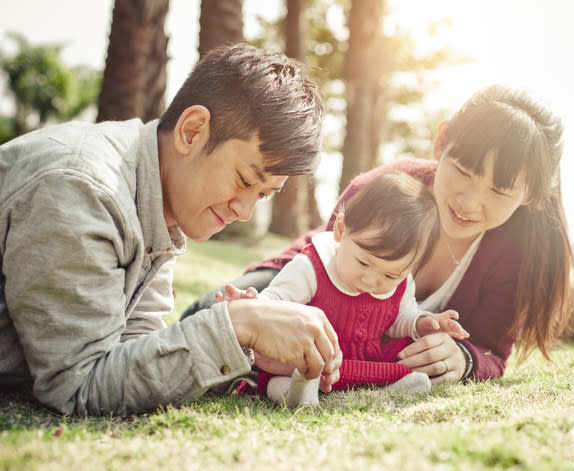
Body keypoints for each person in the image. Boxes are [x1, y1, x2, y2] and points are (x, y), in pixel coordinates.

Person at [0, 43, 343, 416]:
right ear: (192, 131)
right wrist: (237, 325)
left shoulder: (157, 198)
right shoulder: (81, 190)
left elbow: (131, 350)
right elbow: (79, 386)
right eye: (244, 180)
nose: (244, 211)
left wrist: (248, 347)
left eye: (261, 195)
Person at [182, 84, 574, 384]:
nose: (469, 201)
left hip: (368, 349)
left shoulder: (519, 254)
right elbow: (315, 254)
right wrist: (259, 299)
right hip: (310, 292)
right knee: (206, 313)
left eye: (499, 191)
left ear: (530, 196)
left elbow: (492, 351)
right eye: (463, 171)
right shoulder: (391, 187)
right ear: (441, 143)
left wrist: (465, 358)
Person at [216, 172, 469, 407]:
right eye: (363, 262)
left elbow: (399, 318)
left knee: (404, 356)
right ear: (340, 230)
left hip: (366, 361)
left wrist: (422, 323)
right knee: (276, 377)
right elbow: (277, 300)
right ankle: (298, 393)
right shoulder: (311, 267)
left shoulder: (402, 282)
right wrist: (254, 304)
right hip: (312, 357)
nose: (370, 281)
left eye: (390, 275)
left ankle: (400, 385)